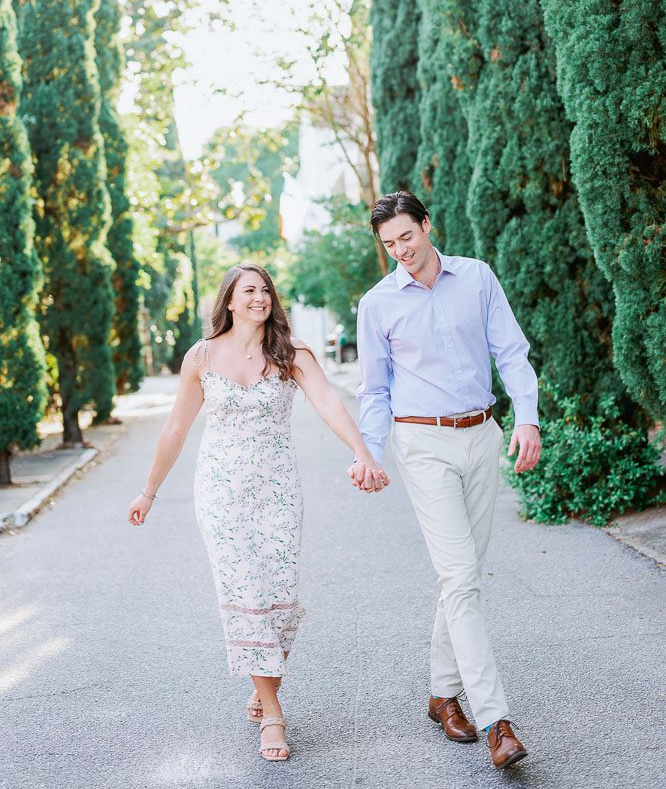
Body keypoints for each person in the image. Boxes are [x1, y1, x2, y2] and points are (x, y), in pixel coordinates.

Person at [128, 262, 389, 763]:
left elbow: (329, 403)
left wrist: (363, 452)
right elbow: (176, 429)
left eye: (265, 289)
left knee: (281, 600)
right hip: (222, 495)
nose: (260, 297)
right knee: (245, 593)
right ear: (228, 300)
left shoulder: (289, 353)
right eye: (249, 290)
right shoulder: (201, 357)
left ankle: (261, 681)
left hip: (279, 492)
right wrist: (148, 492)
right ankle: (273, 712)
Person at [350, 191, 541, 772]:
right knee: (460, 577)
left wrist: (527, 417)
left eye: (407, 236)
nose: (401, 251)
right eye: (389, 245)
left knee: (461, 578)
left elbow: (510, 351)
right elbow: (374, 390)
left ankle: (440, 693)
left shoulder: (477, 278)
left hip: (481, 434)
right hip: (421, 443)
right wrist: (369, 451)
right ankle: (496, 721)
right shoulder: (377, 304)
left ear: (427, 226)